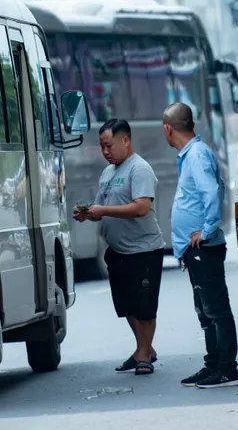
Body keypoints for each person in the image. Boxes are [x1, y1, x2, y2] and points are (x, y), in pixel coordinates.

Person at [74, 119, 164, 376]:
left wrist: (102, 210)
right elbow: (100, 208)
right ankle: (144, 349)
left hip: (144, 249)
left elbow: (141, 207)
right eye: (101, 147)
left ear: (126, 140)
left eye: (109, 146)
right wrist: (88, 213)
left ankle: (144, 355)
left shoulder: (140, 169)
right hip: (118, 250)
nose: (105, 152)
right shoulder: (107, 173)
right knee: (127, 305)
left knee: (145, 307)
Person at [162, 102, 238, 389]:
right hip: (194, 249)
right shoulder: (191, 153)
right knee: (205, 311)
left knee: (216, 310)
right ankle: (213, 365)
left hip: (204, 247)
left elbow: (212, 193)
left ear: (168, 129)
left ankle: (227, 369)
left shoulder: (196, 154)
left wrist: (206, 231)